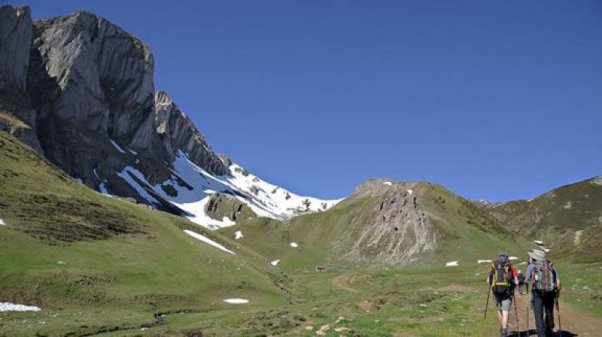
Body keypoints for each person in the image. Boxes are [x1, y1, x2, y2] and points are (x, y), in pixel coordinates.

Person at [527, 249, 560, 337]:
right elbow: (558, 282)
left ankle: (541, 334)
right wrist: (557, 295)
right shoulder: (551, 265)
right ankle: (549, 331)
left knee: (538, 312)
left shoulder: (532, 266)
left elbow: (528, 280)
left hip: (537, 292)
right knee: (549, 310)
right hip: (550, 292)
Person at [488, 252, 519, 337]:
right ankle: (504, 332)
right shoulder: (510, 266)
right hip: (507, 292)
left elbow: (488, 280)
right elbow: (516, 281)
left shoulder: (494, 265)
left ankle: (501, 328)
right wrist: (514, 284)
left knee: (499, 310)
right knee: (505, 312)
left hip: (496, 291)